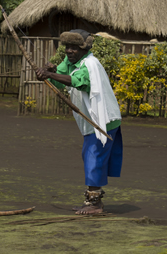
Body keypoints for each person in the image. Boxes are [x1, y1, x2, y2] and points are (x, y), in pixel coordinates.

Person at [36, 29, 123, 215]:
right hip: (94, 119)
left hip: (103, 120)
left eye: (74, 48)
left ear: (84, 48)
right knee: (90, 156)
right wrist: (49, 73)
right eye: (67, 47)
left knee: (93, 156)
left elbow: (77, 81)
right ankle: (92, 200)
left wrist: (49, 75)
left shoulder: (90, 65)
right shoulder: (71, 61)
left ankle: (95, 204)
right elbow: (61, 81)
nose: (69, 51)